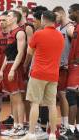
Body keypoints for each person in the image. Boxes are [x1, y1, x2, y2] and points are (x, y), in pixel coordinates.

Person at [22, 10, 64, 140]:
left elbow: (29, 51)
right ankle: (52, 134)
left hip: (38, 73)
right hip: (53, 74)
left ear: (43, 19)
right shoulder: (60, 36)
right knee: (52, 105)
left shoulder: (38, 34)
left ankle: (31, 133)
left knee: (35, 103)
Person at [0, 10, 26, 137]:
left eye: (9, 16)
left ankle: (20, 126)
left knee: (17, 99)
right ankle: (15, 125)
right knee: (12, 99)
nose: (6, 18)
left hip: (15, 67)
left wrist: (13, 69)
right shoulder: (10, 33)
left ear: (15, 19)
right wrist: (2, 69)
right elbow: (7, 54)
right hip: (8, 66)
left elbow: (20, 53)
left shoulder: (20, 32)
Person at [53, 6, 75, 137]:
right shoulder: (56, 29)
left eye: (56, 16)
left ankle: (67, 124)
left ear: (61, 14)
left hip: (68, 67)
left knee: (64, 95)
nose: (54, 19)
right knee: (60, 96)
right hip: (58, 67)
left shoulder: (70, 27)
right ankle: (64, 123)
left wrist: (70, 62)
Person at [64, 3, 79, 139]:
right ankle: (77, 130)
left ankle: (70, 130)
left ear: (77, 11)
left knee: (71, 96)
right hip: (73, 66)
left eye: (71, 11)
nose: (69, 14)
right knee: (76, 99)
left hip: (76, 67)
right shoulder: (76, 27)